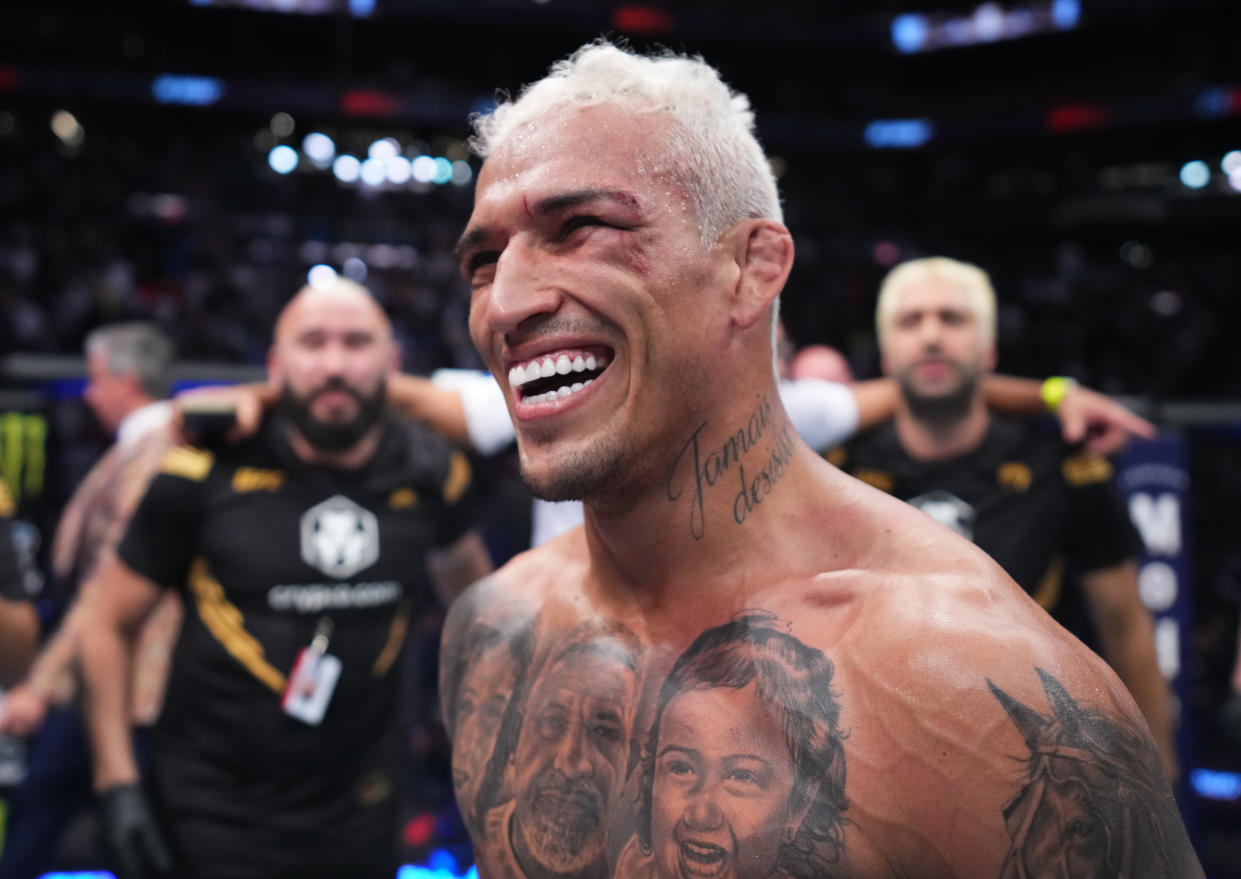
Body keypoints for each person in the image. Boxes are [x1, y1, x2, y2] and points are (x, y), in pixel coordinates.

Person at [439, 39, 1202, 879]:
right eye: (482, 260)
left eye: (578, 227)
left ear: (750, 267)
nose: (503, 304)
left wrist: (1054, 394)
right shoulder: (492, 633)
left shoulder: (980, 692)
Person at [78, 279, 492, 879]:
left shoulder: (432, 473)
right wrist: (115, 782)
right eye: (313, 342)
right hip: (209, 817)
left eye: (355, 343)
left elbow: (483, 618)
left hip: (363, 818)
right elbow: (106, 624)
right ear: (275, 365)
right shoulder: (203, 469)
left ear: (392, 363)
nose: (334, 363)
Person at [831, 256, 1176, 775]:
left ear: (989, 350)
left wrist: (1159, 776)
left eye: (952, 319)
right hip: (875, 765)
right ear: (885, 354)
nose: (931, 336)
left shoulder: (1060, 464)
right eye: (911, 320)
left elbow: (1125, 626)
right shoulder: (837, 470)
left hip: (1030, 769)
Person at [0, 322, 182, 879]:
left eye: (96, 378)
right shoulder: (146, 448)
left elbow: (108, 581)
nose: (87, 391)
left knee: (50, 818)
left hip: (129, 681)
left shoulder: (157, 452)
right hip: (115, 678)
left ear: (127, 381)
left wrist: (41, 686)